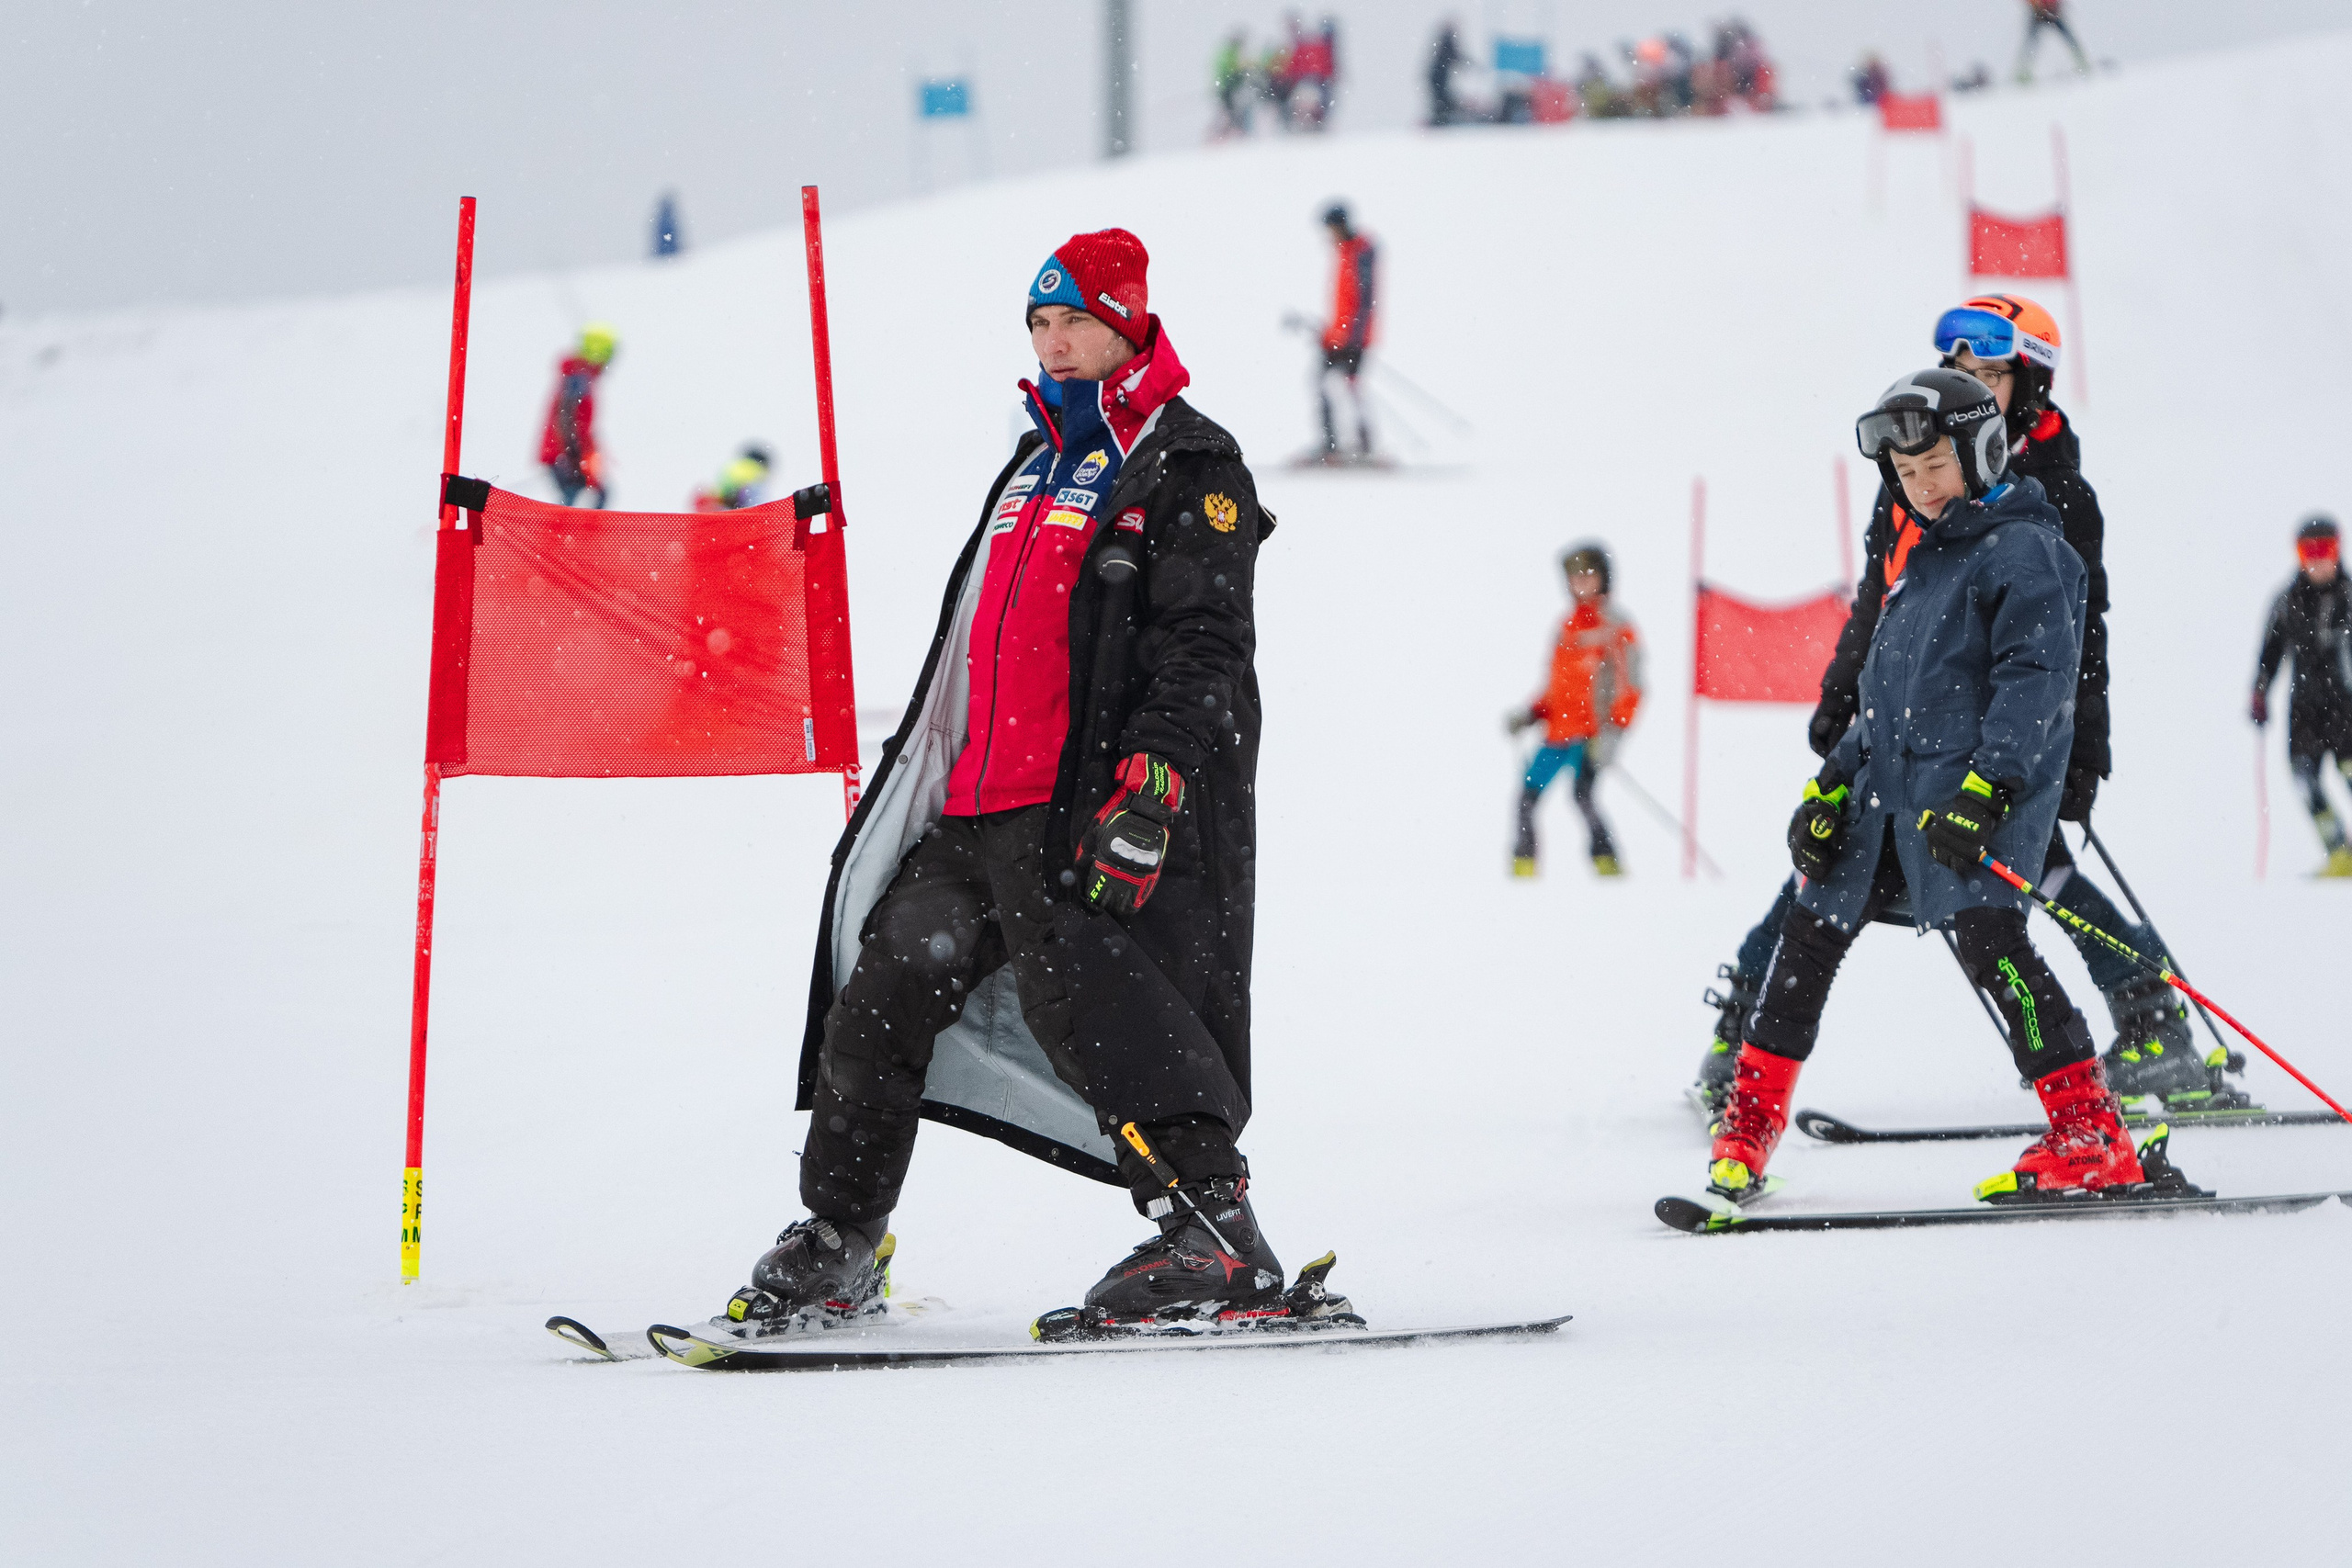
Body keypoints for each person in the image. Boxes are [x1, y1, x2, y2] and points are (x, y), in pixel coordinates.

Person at [713, 228, 1291, 1340]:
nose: (1056, 343)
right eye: (1040, 323)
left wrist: (1155, 779)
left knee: (1099, 1016)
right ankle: (841, 1241)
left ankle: (1216, 1236)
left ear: (1127, 326)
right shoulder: (1034, 462)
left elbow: (1207, 640)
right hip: (972, 804)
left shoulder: (1187, 460)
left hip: (1077, 803)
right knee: (880, 990)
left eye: (1075, 320)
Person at [1693, 294, 2241, 1119]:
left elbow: (2070, 640)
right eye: (1963, 370)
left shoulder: (2054, 491)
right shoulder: (1918, 460)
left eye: (1992, 373)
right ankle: (1743, 1029)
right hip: (1912, 724)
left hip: (2005, 740)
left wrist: (2075, 751)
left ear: (2032, 386)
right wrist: (1846, 692)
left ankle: (2153, 1026)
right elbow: (1885, 599)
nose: (1974, 383)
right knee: (1831, 872)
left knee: (2031, 879)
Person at [1508, 544, 1641, 877]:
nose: (1581, 583)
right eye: (1574, 577)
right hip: (1557, 733)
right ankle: (1522, 872)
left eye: (1588, 575)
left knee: (1582, 798)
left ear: (1603, 578)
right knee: (1526, 800)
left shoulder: (1615, 625)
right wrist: (1532, 713)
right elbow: (1556, 687)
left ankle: (1608, 866)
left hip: (1591, 735)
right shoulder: (1566, 626)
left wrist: (1613, 732)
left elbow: (1630, 686)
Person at [2254, 515, 2352, 876]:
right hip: (2305, 709)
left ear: (2338, 550)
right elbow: (2270, 651)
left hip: (2348, 707)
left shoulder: (2349, 598)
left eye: (2325, 549)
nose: (2317, 559)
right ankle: (2340, 850)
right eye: (2308, 550)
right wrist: (2260, 693)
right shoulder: (2287, 601)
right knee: (2303, 778)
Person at [1314, 203, 1376, 462]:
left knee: (1339, 387)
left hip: (1350, 339)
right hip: (1339, 336)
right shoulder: (1345, 252)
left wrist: (1349, 337)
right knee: (1337, 386)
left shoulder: (1359, 252)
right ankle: (1343, 445)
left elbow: (1362, 301)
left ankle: (1344, 447)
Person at [540, 323, 616, 507]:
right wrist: (573, 452)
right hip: (563, 451)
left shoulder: (579, 376)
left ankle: (570, 532)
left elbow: (576, 419)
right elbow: (566, 415)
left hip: (564, 450)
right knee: (578, 491)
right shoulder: (578, 378)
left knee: (582, 492)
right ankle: (572, 533)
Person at [2017, 0, 2090, 83]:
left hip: (2053, 12)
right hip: (2039, 13)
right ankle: (2022, 73)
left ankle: (2083, 66)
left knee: (2070, 40)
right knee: (2030, 45)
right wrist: (2037, 7)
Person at [691, 445, 771, 512]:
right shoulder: (757, 471)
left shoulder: (732, 467)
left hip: (724, 500)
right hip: (742, 501)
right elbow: (757, 500)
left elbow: (721, 487)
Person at [1213, 30, 1254, 139]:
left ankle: (1229, 134)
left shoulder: (1231, 53)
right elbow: (1227, 71)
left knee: (1231, 113)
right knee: (1231, 113)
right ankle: (1224, 135)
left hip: (1230, 89)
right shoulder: (1230, 53)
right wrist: (1239, 74)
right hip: (1229, 89)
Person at [1426, 19, 1465, 127]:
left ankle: (1439, 120)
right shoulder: (1447, 40)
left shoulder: (1443, 40)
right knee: (1442, 100)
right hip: (1439, 76)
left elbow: (1453, 56)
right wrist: (1468, 63)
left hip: (1437, 76)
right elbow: (1454, 55)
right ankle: (1440, 121)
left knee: (1440, 100)